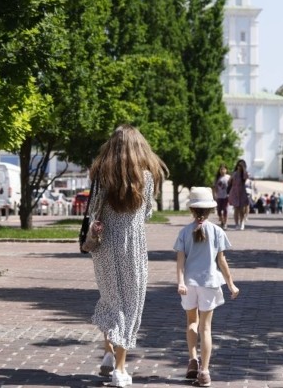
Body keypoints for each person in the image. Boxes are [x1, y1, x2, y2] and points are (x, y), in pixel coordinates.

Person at [88, 124, 168, 388]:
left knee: (111, 300)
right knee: (129, 305)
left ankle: (109, 354)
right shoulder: (145, 178)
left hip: (104, 247)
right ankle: (120, 370)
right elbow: (145, 215)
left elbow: (93, 211)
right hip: (133, 248)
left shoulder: (101, 175)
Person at [174, 187, 239, 387]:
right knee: (206, 328)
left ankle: (193, 359)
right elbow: (222, 262)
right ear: (210, 210)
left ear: (192, 210)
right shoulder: (217, 231)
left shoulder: (184, 232)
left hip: (190, 284)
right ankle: (204, 372)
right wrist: (231, 284)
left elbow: (180, 262)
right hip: (210, 283)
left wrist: (181, 282)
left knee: (191, 323)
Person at [227, 159, 250, 230]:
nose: (239, 167)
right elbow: (229, 182)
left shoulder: (244, 173)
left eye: (241, 166)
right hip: (234, 192)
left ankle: (242, 222)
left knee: (242, 209)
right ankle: (236, 224)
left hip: (242, 192)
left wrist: (244, 170)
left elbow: (246, 178)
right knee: (236, 209)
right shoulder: (234, 173)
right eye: (238, 165)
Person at [213, 164, 230, 229]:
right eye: (221, 169)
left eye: (224, 169)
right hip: (219, 196)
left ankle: (225, 223)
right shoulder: (217, 178)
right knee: (219, 210)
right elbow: (215, 187)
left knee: (225, 210)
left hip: (226, 196)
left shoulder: (228, 177)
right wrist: (214, 195)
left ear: (226, 170)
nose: (222, 171)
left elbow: (231, 186)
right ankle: (222, 220)